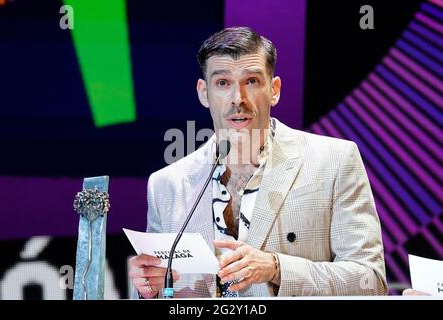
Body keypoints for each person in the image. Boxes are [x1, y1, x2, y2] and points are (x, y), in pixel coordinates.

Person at [128, 26, 388, 298]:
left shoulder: (334, 162)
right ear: (204, 93)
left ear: (273, 90)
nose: (237, 99)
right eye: (223, 83)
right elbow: (154, 289)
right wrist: (148, 289)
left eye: (251, 81)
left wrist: (277, 268)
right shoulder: (166, 186)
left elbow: (370, 279)